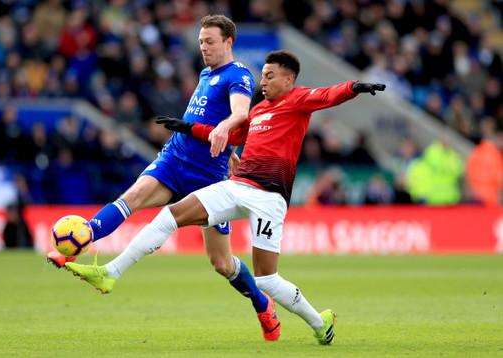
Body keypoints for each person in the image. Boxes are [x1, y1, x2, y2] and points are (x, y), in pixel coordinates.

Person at [65, 50, 385, 345]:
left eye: (270, 76)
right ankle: (110, 273)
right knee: (170, 215)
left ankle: (320, 324)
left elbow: (329, 95)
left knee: (268, 280)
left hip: (269, 198)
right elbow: (230, 136)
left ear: (289, 79)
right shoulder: (258, 111)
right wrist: (188, 128)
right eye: (262, 75)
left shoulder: (299, 100)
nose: (263, 81)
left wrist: (355, 86)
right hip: (238, 185)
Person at [48, 15, 280, 341]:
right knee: (136, 194)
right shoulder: (205, 74)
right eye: (200, 41)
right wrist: (228, 148)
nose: (203, 47)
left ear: (228, 42)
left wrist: (226, 133)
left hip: (208, 178)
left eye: (210, 41)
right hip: (174, 158)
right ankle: (79, 242)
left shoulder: (238, 74)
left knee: (221, 263)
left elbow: (240, 112)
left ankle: (261, 303)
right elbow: (205, 118)